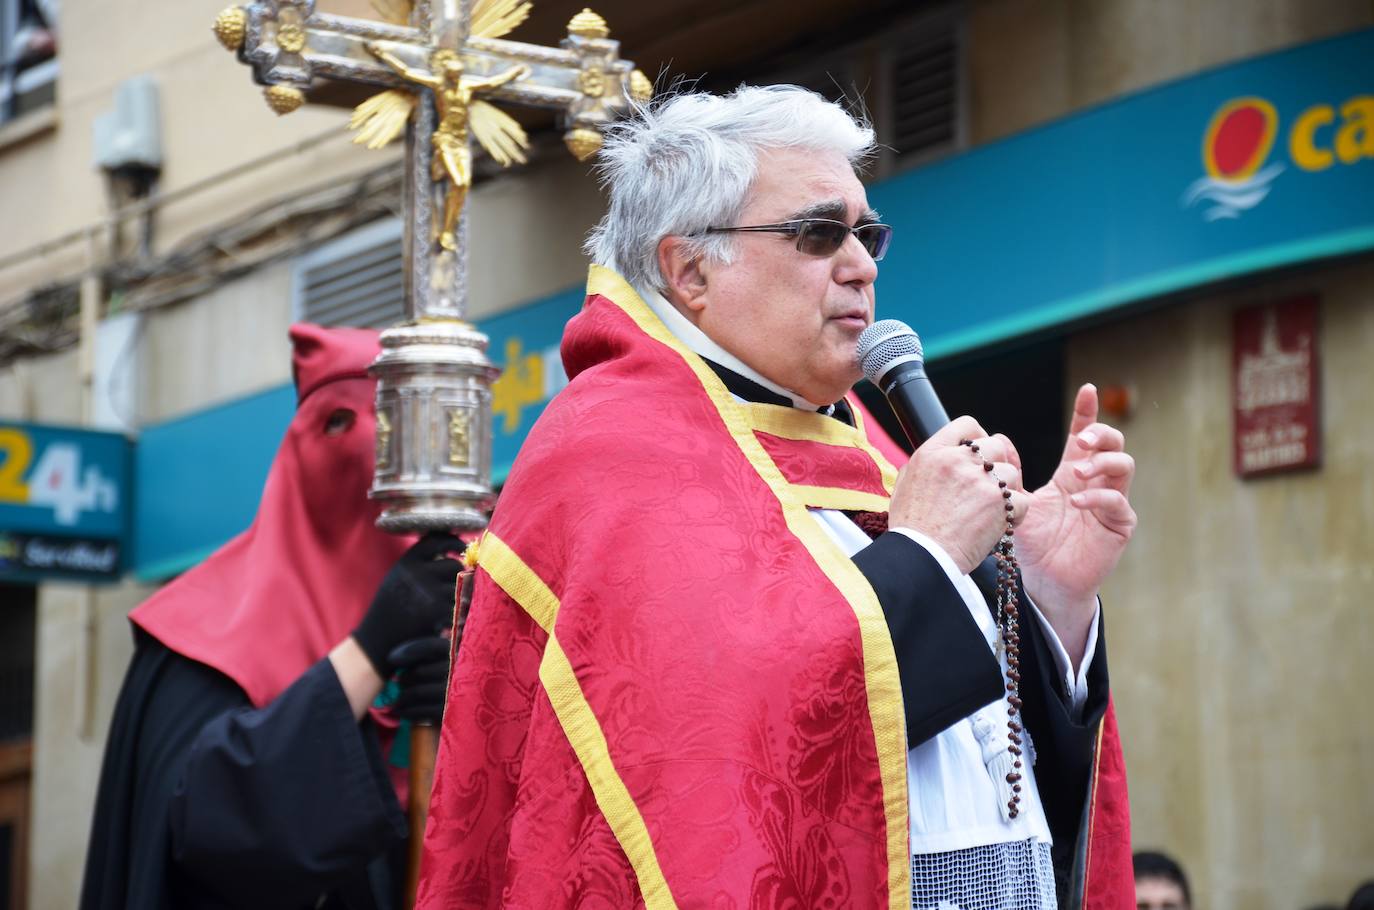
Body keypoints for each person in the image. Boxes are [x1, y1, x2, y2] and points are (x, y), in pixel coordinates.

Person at [416, 85, 1134, 909]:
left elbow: (986, 760)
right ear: (689, 269)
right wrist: (929, 559)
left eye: (867, 234)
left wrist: (1048, 604)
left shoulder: (872, 446)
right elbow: (715, 767)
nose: (862, 263)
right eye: (819, 233)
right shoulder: (609, 456)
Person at [80, 323, 462, 910]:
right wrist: (367, 652)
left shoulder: (475, 607)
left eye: (393, 430)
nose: (365, 449)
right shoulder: (198, 636)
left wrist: (468, 710)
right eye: (339, 422)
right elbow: (209, 828)